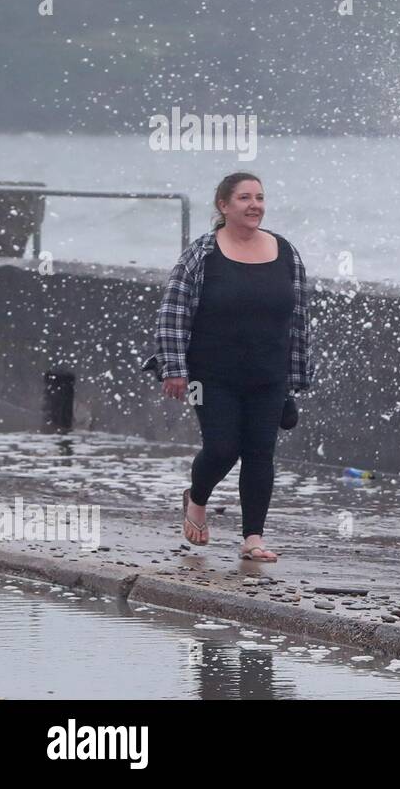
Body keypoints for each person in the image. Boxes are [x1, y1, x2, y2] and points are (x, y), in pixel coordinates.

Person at [147, 172, 312, 562]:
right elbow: (173, 312)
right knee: (222, 448)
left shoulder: (285, 251)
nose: (254, 205)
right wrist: (173, 367)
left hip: (268, 374)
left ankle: (253, 538)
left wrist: (296, 379)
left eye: (259, 197)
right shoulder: (202, 253)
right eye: (244, 198)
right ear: (223, 206)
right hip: (212, 375)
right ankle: (197, 498)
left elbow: (300, 317)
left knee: (260, 453)